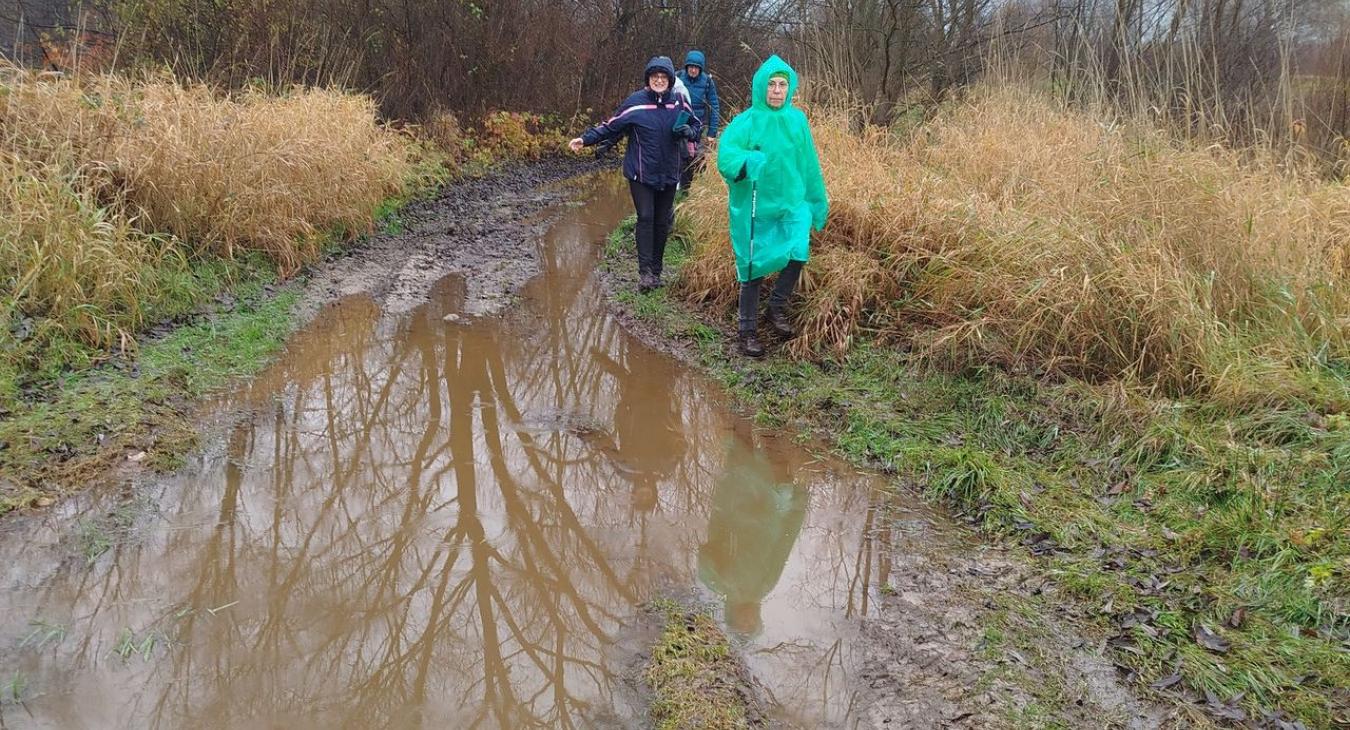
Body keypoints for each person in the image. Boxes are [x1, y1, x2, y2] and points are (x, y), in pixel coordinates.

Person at [716, 55, 828, 357]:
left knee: (797, 253)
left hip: (792, 203)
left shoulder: (797, 121)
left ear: (789, 89)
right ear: (761, 88)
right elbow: (725, 157)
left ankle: (775, 307)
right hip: (756, 208)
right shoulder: (745, 123)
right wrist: (747, 162)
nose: (777, 90)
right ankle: (747, 331)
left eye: (782, 85)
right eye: (772, 85)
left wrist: (817, 201)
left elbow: (809, 164)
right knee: (753, 267)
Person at [570, 57, 701, 293]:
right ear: (648, 80)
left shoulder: (679, 101)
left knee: (662, 222)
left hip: (670, 172)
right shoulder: (635, 103)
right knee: (646, 217)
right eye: (654, 77)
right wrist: (586, 139)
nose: (659, 81)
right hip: (640, 172)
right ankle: (645, 273)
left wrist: (689, 131)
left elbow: (696, 126)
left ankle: (658, 271)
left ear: (670, 81)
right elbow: (611, 125)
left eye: (663, 77)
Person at [697, 424, 808, 639]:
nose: (748, 620)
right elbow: (782, 548)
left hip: (735, 508)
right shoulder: (764, 587)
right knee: (775, 457)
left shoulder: (721, 585)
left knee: (740, 454)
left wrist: (713, 571)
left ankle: (743, 412)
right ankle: (771, 417)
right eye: (752, 623)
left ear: (733, 617)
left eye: (743, 624)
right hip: (769, 512)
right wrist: (795, 510)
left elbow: (704, 556)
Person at [677, 50, 721, 190]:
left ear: (700, 69)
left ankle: (695, 187)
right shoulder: (677, 77)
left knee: (696, 157)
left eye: (696, 67)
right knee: (679, 157)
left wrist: (712, 133)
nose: (693, 70)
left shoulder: (707, 82)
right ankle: (679, 188)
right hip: (679, 123)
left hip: (698, 127)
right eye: (691, 67)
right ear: (687, 67)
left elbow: (714, 106)